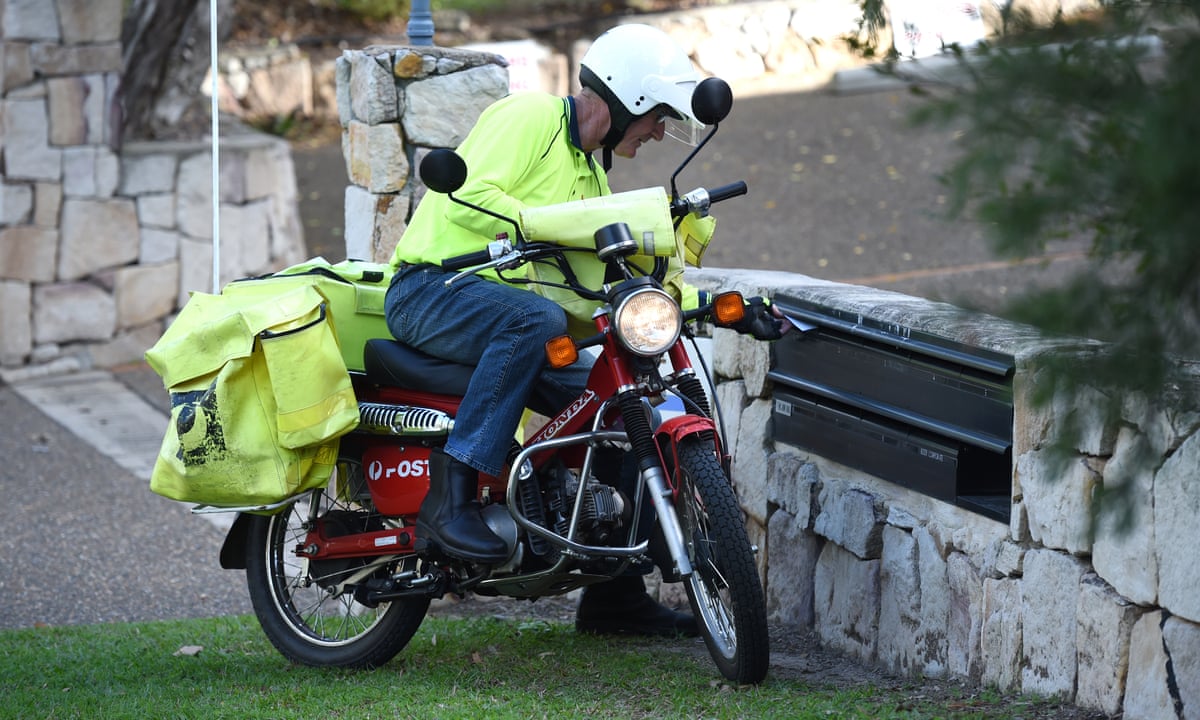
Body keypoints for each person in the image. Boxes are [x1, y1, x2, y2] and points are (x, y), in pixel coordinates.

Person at [384, 24, 781, 637]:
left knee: (623, 409)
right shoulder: (531, 118)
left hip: (507, 316)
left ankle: (612, 599)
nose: (656, 132)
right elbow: (472, 199)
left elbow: (618, 281)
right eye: (656, 118)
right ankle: (451, 496)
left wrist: (723, 304)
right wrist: (538, 227)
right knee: (535, 318)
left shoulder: (590, 178)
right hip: (432, 290)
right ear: (628, 100)